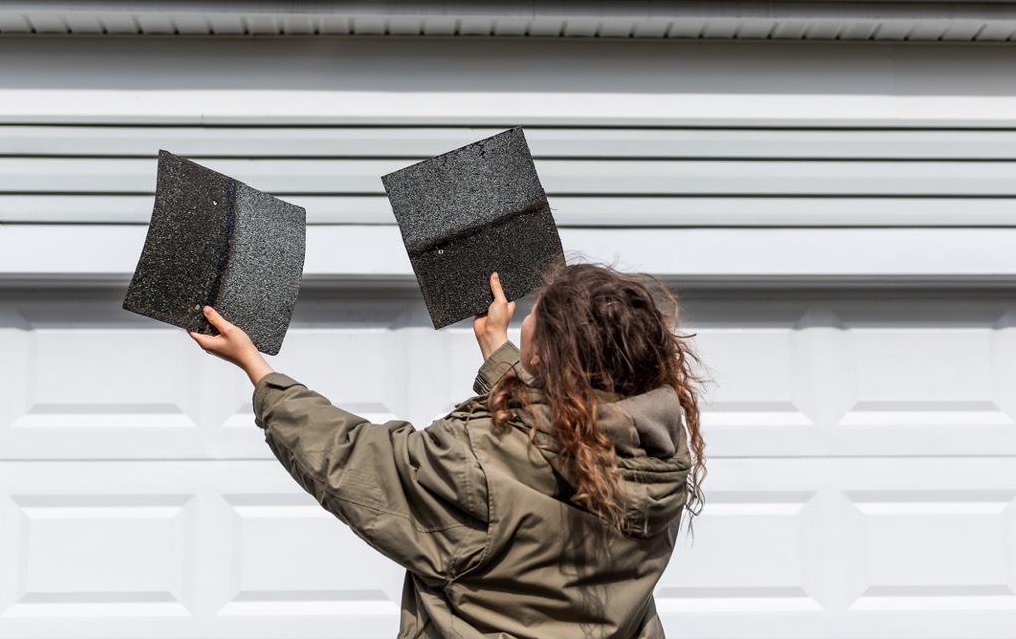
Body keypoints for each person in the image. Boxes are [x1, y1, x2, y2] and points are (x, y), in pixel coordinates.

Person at [191, 263, 708, 639]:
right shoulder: (658, 458)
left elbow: (352, 459)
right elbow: (565, 427)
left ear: (546, 353)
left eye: (537, 318)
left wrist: (257, 370)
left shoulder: (475, 461)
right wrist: (502, 357)